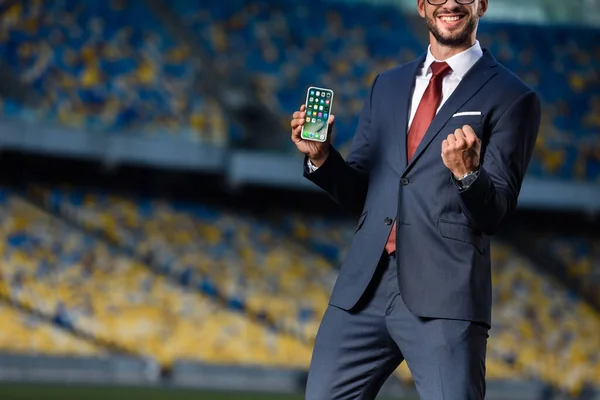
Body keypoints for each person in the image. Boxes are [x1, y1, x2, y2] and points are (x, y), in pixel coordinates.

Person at [290, 0, 541, 399]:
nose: (451, 4)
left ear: (482, 4)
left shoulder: (513, 97)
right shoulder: (386, 85)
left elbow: (495, 212)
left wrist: (467, 174)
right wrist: (321, 158)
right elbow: (361, 192)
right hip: (363, 290)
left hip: (445, 295)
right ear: (423, 6)